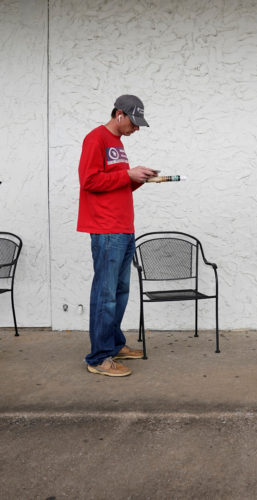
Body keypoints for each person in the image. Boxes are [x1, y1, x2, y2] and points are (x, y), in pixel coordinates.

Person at [77, 95, 158, 377]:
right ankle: (98, 358)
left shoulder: (118, 144)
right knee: (106, 294)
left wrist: (137, 180)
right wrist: (128, 175)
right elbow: (89, 181)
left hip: (124, 227)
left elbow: (115, 185)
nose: (136, 129)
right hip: (106, 229)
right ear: (119, 114)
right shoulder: (96, 139)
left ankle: (113, 344)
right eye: (133, 123)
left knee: (120, 292)